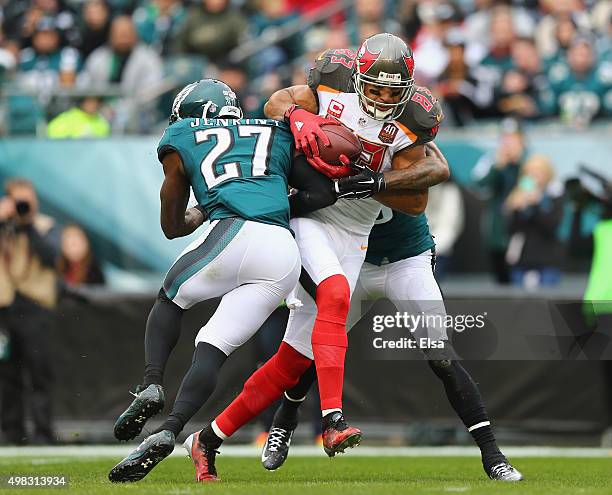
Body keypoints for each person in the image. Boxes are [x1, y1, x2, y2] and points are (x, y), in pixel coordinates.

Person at [182, 33, 451, 482]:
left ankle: (207, 439)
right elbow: (275, 103)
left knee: (291, 360)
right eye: (376, 87)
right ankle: (332, 420)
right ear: (358, 75)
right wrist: (299, 118)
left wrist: (375, 183)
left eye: (393, 89)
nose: (384, 98)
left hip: (356, 230)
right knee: (337, 293)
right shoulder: (332, 80)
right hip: (311, 216)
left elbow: (420, 197)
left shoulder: (413, 118)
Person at [107, 78, 368, 482]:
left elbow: (172, 223)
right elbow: (322, 193)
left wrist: (196, 213)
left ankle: (151, 384)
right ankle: (171, 430)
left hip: (234, 231)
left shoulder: (181, 134)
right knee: (213, 345)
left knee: (170, 299)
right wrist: (275, 198)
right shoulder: (275, 131)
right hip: (282, 251)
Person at [258, 143, 522, 483]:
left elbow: (438, 169)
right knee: (309, 348)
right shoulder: (335, 136)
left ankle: (492, 454)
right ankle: (286, 418)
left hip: (405, 258)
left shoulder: (403, 140)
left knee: (441, 355)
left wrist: (380, 181)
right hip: (353, 258)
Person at [0, 178, 62, 445]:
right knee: (6, 376)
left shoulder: (46, 226)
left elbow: (51, 258)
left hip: (36, 308)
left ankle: (43, 433)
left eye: (27, 199)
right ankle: (10, 432)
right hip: (5, 308)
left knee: (40, 373)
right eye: (18, 200)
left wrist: (27, 227)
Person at [471, 117, 526, 284]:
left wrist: (520, 166)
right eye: (505, 138)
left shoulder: (529, 160)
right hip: (497, 219)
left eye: (513, 138)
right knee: (498, 259)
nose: (509, 143)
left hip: (522, 223)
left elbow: (533, 182)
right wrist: (498, 166)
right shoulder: (491, 160)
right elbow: (479, 185)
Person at [505, 155, 564, 289]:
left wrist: (535, 205)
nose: (534, 175)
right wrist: (516, 209)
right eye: (530, 171)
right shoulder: (517, 194)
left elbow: (552, 226)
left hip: (547, 262)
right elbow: (511, 229)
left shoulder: (555, 195)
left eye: (539, 171)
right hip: (522, 261)